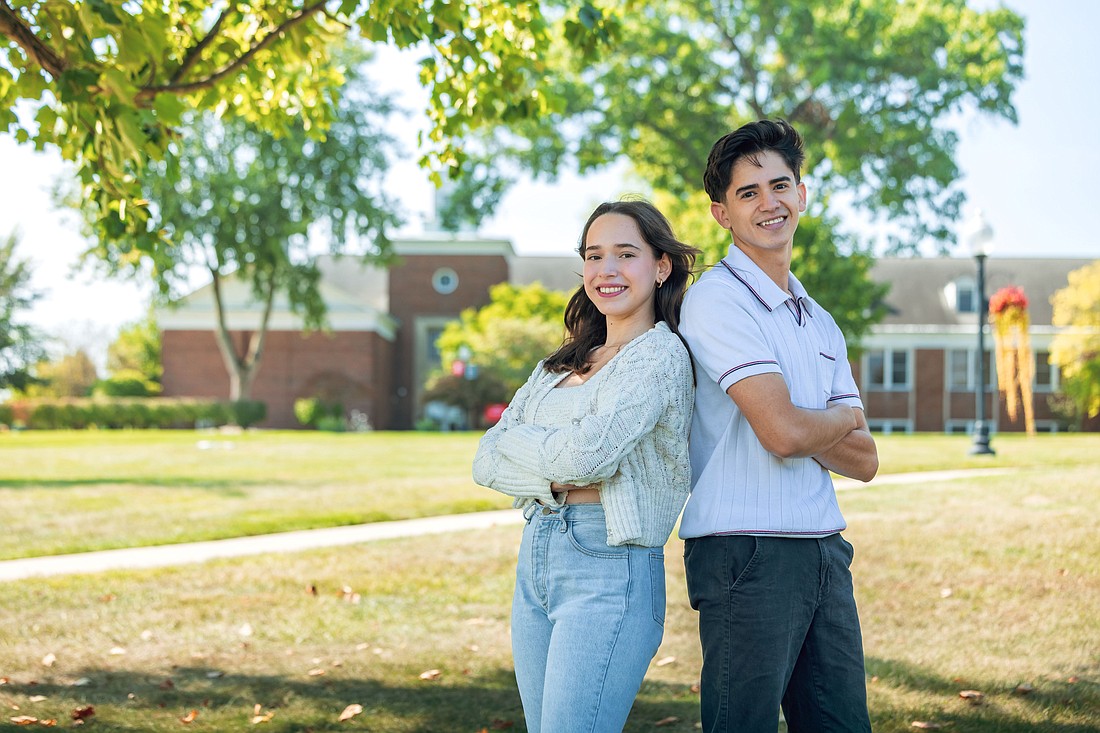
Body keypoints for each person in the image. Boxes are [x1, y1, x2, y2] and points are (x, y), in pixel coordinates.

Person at [678, 119, 879, 733]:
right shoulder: (715, 299)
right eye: (748, 193)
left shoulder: (819, 319)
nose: (769, 203)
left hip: (823, 548)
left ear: (803, 194)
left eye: (780, 185)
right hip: (746, 553)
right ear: (722, 214)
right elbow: (784, 435)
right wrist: (840, 418)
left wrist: (813, 425)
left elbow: (866, 461)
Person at [473, 199, 699, 733]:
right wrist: (558, 471)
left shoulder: (660, 356)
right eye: (594, 256)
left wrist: (528, 447)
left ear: (660, 266)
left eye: (626, 253)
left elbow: (588, 456)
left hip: (609, 566)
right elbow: (486, 458)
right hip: (537, 557)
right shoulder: (560, 362)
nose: (607, 270)